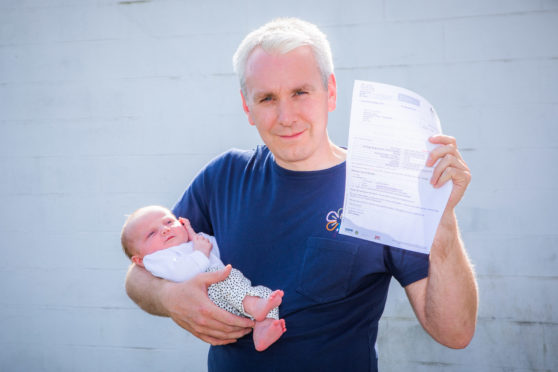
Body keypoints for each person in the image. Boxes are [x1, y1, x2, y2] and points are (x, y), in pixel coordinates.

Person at [125, 17, 478, 371]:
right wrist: (170, 298)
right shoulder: (224, 176)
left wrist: (442, 221)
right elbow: (138, 273)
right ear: (247, 106)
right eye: (267, 98)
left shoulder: (378, 187)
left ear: (331, 92)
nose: (286, 116)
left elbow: (455, 332)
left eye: (300, 92)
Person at [121, 205, 287, 351]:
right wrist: (200, 251)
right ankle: (254, 307)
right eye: (151, 233)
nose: (165, 230)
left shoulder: (192, 242)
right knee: (227, 280)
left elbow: (217, 245)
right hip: (211, 296)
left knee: (265, 294)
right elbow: (182, 272)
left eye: (169, 222)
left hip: (234, 292)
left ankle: (263, 329)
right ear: (139, 260)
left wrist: (192, 235)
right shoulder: (156, 260)